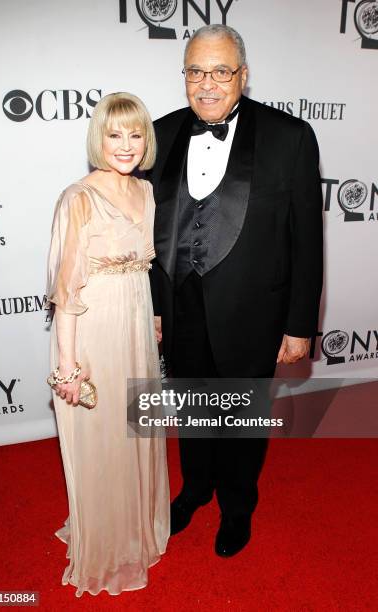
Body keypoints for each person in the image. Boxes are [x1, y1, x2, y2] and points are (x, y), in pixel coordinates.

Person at [148, 25, 323, 557]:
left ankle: (237, 506)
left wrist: (298, 325)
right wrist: (156, 308)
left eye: (220, 71)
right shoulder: (160, 134)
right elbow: (150, 233)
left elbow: (307, 241)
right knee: (194, 411)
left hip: (252, 313)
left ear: (242, 76)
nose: (206, 83)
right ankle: (195, 489)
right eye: (195, 71)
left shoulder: (289, 137)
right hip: (181, 308)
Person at [45, 92, 169, 596]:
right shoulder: (78, 197)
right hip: (95, 332)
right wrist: (68, 368)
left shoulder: (146, 192)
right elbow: (65, 294)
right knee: (103, 441)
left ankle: (137, 531)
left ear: (146, 140)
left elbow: (147, 269)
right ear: (99, 138)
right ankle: (108, 545)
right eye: (114, 134)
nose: (126, 145)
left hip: (136, 329)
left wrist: (153, 318)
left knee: (135, 432)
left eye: (135, 134)